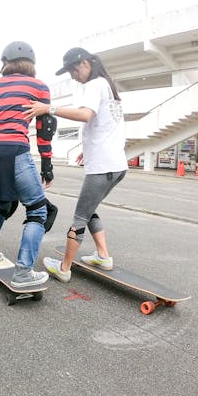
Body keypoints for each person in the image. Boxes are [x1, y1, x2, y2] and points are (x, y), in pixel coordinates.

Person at [23, 47, 127, 283]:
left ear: (85, 64)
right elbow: (105, 125)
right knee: (90, 210)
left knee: (80, 216)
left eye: (72, 69)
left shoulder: (94, 84)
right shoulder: (109, 86)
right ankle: (103, 255)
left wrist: (48, 108)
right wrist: (86, 149)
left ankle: (64, 268)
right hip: (116, 165)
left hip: (102, 166)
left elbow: (85, 115)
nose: (72, 75)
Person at [0, 41, 58, 287]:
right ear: (32, 64)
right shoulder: (39, 86)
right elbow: (44, 129)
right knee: (39, 211)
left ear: (5, 63)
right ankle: (23, 273)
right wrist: (47, 167)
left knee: (4, 202)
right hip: (13, 150)